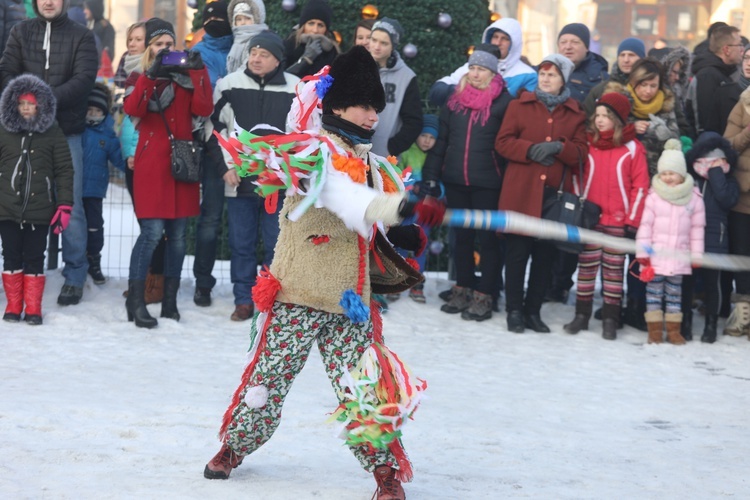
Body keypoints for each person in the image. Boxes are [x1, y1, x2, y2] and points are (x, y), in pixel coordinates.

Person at [204, 46, 439, 500]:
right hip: (297, 292)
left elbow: (372, 219)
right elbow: (342, 196)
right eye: (365, 106)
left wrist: (402, 231)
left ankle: (385, 472)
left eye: (377, 107)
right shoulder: (309, 151)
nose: (373, 115)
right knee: (266, 383)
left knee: (367, 388)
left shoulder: (375, 163)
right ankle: (234, 447)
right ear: (336, 106)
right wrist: (392, 207)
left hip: (350, 300)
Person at [0, 0, 98, 306]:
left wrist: (44, 102)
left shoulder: (80, 35)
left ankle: (75, 274)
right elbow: (6, 73)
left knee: (71, 205)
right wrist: (25, 105)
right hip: (21, 132)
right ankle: (15, 273)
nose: (49, 1)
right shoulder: (19, 31)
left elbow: (83, 79)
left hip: (65, 131)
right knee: (12, 201)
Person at [122, 18, 213, 328]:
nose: (164, 50)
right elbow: (134, 108)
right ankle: (135, 302)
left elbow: (203, 109)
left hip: (182, 165)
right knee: (151, 234)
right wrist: (151, 76)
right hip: (152, 165)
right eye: (158, 45)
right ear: (149, 48)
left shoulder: (188, 77)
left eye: (169, 45)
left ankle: (170, 302)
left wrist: (200, 72)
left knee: (177, 238)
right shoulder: (138, 75)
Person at [494, 53, 587, 333]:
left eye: (552, 75)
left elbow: (582, 152)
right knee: (517, 254)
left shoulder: (575, 112)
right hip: (520, 192)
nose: (546, 79)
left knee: (544, 257)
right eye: (543, 73)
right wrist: (529, 149)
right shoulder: (519, 105)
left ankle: (533, 311)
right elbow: (503, 142)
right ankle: (514, 311)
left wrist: (560, 147)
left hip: (551, 198)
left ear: (563, 80)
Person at [211, 30, 299, 321]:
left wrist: (292, 172)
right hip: (239, 182)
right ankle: (243, 300)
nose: (256, 58)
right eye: (253, 53)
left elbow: (304, 135)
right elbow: (213, 129)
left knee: (277, 243)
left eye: (264, 54)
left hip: (279, 185)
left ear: (278, 60)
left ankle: (271, 298)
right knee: (241, 243)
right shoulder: (229, 85)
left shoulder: (296, 88)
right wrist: (226, 166)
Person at [422, 44, 511, 321]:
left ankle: (485, 294)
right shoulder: (454, 99)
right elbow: (443, 142)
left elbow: (506, 146)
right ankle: (462, 288)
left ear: (492, 73)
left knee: (487, 241)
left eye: (481, 69)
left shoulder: (504, 102)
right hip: (456, 180)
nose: (474, 73)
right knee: (461, 239)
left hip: (488, 183)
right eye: (472, 67)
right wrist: (432, 177)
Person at [563, 92, 649, 340]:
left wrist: (632, 221)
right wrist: (579, 209)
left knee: (613, 272)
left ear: (619, 119)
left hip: (619, 222)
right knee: (586, 269)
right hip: (590, 220)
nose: (600, 120)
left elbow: (640, 186)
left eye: (606, 116)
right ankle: (582, 315)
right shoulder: (588, 145)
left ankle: (611, 317)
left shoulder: (633, 148)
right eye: (597, 115)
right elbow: (577, 177)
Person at [0, 74, 73, 325]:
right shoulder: (4, 131)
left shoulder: (52, 132)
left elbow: (64, 169)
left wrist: (64, 204)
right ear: (14, 105)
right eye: (21, 104)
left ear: (41, 105)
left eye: (31, 103)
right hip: (7, 209)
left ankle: (33, 308)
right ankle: (13, 305)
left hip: (40, 210)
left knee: (34, 256)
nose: (26, 108)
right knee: (10, 256)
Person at [637, 139, 705, 344]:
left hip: (679, 258)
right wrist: (643, 253)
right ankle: (655, 331)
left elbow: (697, 230)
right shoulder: (654, 197)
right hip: (656, 259)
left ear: (682, 174)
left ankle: (674, 331)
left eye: (672, 173)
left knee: (675, 296)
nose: (667, 178)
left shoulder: (694, 198)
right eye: (664, 173)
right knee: (654, 296)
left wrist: (696, 255)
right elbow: (645, 227)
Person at [191, 0, 236, 307]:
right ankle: (203, 283)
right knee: (209, 219)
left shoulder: (243, 51)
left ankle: (246, 287)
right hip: (208, 143)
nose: (217, 21)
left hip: (242, 145)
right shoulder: (196, 55)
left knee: (245, 220)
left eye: (223, 17)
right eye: (212, 17)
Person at [683, 132, 740, 342]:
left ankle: (711, 325)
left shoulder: (728, 181)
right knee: (686, 283)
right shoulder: (691, 179)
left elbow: (726, 199)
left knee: (712, 284)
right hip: (689, 239)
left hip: (716, 240)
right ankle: (685, 322)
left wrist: (715, 173)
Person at [429, 17, 536, 105]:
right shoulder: (473, 66)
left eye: (505, 39)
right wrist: (464, 91)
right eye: (495, 37)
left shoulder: (527, 75)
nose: (498, 42)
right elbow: (438, 91)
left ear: (514, 43)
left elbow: (524, 112)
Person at [81, 83, 125, 285]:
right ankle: (76, 261)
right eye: (89, 110)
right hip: (73, 189)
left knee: (95, 227)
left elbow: (118, 158)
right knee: (75, 227)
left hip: (95, 191)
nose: (92, 114)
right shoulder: (77, 131)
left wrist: (131, 166)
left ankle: (94, 260)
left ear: (104, 112)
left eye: (97, 111)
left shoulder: (107, 136)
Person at [397, 113, 439, 303]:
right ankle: (397, 278)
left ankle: (417, 283)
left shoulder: (436, 156)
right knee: (401, 243)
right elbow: (399, 177)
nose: (427, 141)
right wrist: (414, 186)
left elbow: (441, 183)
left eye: (432, 138)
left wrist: (438, 190)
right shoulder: (406, 152)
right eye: (424, 136)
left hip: (426, 210)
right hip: (407, 207)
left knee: (422, 246)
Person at [368, 17, 421, 158]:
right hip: (350, 154)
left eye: (384, 43)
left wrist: (392, 148)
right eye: (373, 40)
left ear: (393, 46)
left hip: (384, 158)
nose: (376, 46)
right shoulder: (355, 66)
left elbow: (414, 121)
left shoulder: (407, 77)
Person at [723, 85, 750, 337]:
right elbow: (728, 147)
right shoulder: (744, 104)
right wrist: (748, 134)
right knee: (741, 254)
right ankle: (743, 313)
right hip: (743, 198)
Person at [688, 25, 743, 136]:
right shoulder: (708, 75)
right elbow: (705, 121)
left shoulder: (724, 72)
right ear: (726, 49)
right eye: (739, 45)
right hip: (710, 144)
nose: (742, 50)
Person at [583, 37, 646, 115]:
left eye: (631, 55)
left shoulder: (651, 87)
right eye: (622, 55)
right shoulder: (600, 90)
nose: (626, 60)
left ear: (642, 59)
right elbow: (587, 120)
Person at [283, 0, 339, 78]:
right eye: (311, 23)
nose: (315, 30)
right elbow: (283, 76)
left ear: (326, 29)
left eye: (320, 25)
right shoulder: (290, 44)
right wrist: (306, 59)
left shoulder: (331, 51)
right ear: (303, 26)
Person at [557, 23, 608, 103]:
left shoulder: (600, 78)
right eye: (563, 42)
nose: (568, 47)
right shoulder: (544, 71)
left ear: (586, 47)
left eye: (575, 42)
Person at [192, 0, 233, 88]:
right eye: (208, 20)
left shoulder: (239, 47)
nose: (212, 23)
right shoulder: (197, 52)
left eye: (217, 18)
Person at [225, 0, 268, 74]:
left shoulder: (260, 40)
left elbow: (248, 67)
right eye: (238, 19)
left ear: (257, 19)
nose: (243, 23)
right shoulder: (237, 41)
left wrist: (229, 81)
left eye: (248, 18)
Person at [114, 21, 146, 89]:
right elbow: (118, 80)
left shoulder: (153, 60)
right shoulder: (125, 56)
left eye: (138, 39)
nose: (131, 44)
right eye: (130, 39)